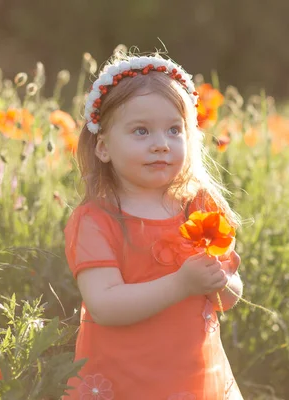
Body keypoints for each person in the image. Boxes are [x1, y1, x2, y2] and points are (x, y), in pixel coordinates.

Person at [62, 51, 244, 399]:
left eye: (174, 130)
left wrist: (220, 284)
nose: (161, 144)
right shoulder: (96, 220)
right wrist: (182, 283)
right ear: (103, 147)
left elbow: (227, 296)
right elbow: (105, 305)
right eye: (141, 131)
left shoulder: (198, 207)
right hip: (125, 381)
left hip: (196, 378)